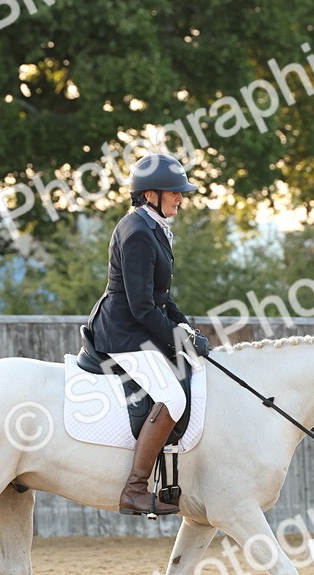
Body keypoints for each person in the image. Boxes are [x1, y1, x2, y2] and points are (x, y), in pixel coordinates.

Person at [87, 153, 210, 517]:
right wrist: (179, 340)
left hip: (137, 327)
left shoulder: (153, 227)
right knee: (172, 398)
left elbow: (162, 298)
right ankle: (135, 489)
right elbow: (142, 307)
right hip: (122, 333)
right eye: (175, 192)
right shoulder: (138, 232)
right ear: (152, 193)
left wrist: (186, 329)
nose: (181, 198)